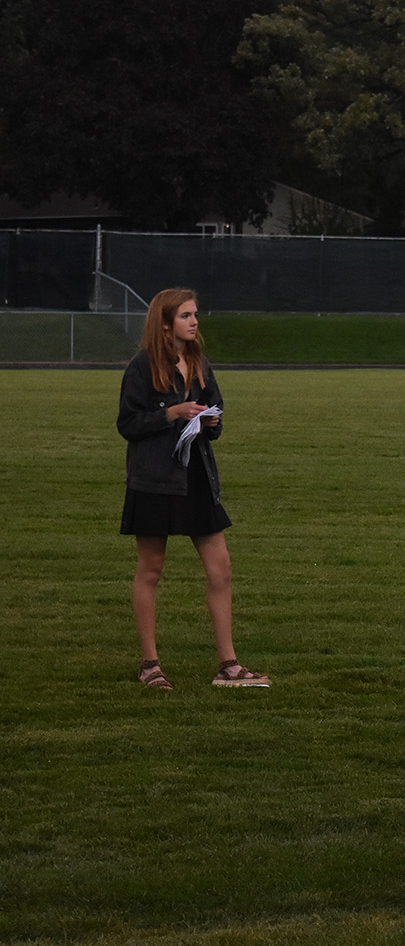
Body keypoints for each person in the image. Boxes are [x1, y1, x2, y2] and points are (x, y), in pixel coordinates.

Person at [117, 288, 269, 690]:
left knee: (221, 568)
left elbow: (215, 412)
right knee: (151, 569)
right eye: (186, 315)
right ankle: (150, 665)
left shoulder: (199, 362)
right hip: (154, 480)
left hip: (196, 476)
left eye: (195, 314)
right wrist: (173, 413)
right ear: (165, 323)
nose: (194, 321)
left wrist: (210, 422)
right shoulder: (141, 367)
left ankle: (229, 666)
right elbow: (128, 424)